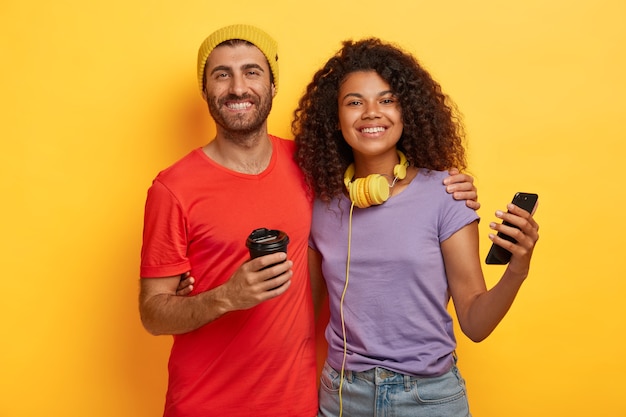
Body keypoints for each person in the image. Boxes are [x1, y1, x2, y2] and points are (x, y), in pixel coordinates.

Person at [139, 24, 479, 417]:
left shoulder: (311, 169)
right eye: (221, 74)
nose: (237, 87)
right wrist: (224, 296)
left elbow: (382, 177)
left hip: (299, 403)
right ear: (205, 89)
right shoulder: (173, 188)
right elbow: (152, 314)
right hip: (206, 403)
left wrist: (450, 187)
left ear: (272, 85)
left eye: (252, 72)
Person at [292, 38, 540, 417]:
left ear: (407, 111)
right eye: (355, 102)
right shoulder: (322, 206)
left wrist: (517, 269)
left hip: (428, 399)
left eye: (387, 100)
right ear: (335, 118)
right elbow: (301, 315)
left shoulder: (446, 196)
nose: (371, 113)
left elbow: (474, 323)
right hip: (343, 394)